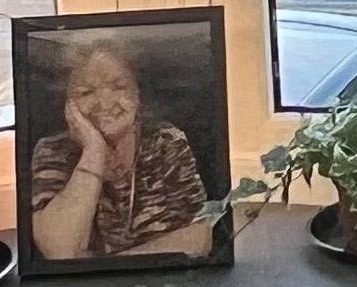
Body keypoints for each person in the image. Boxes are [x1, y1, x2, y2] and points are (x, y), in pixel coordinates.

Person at [25, 41, 216, 261]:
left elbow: (199, 237)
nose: (105, 103)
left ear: (137, 94)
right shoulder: (52, 151)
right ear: (69, 105)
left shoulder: (165, 142)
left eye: (119, 87)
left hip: (165, 283)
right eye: (86, 92)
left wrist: (103, 268)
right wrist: (94, 151)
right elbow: (60, 251)